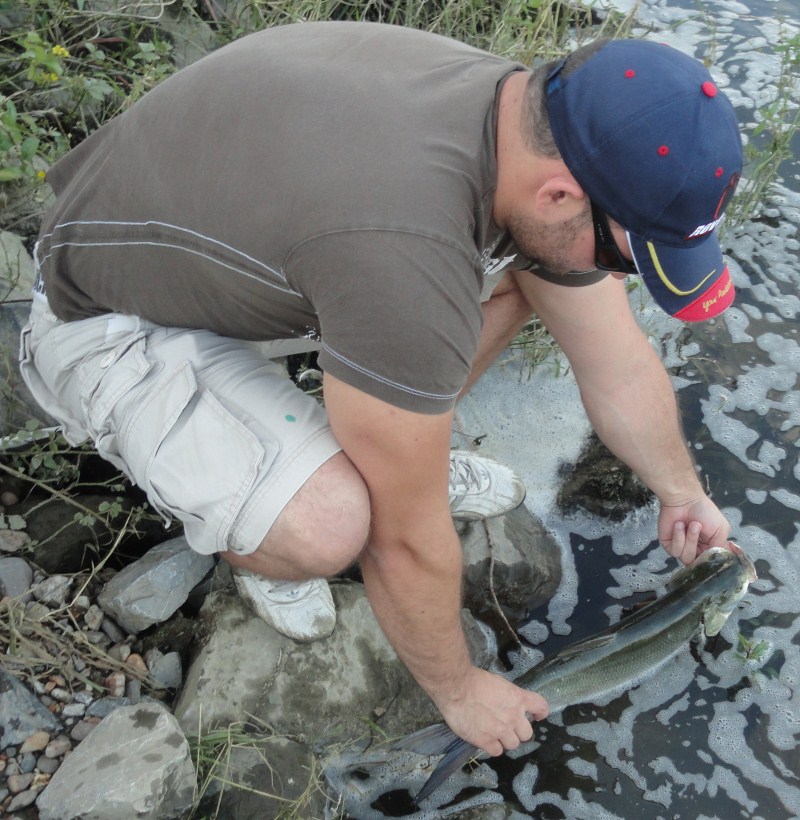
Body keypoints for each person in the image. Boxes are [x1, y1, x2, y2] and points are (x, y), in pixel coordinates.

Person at [20, 23, 742, 760]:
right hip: (105, 314)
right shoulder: (404, 244)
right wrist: (459, 690)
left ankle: (385, 444)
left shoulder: (528, 118)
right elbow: (402, 542)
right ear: (562, 192)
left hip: (235, 252)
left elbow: (616, 362)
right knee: (340, 523)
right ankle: (261, 547)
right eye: (627, 256)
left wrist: (681, 494)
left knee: (539, 269)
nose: (617, 275)